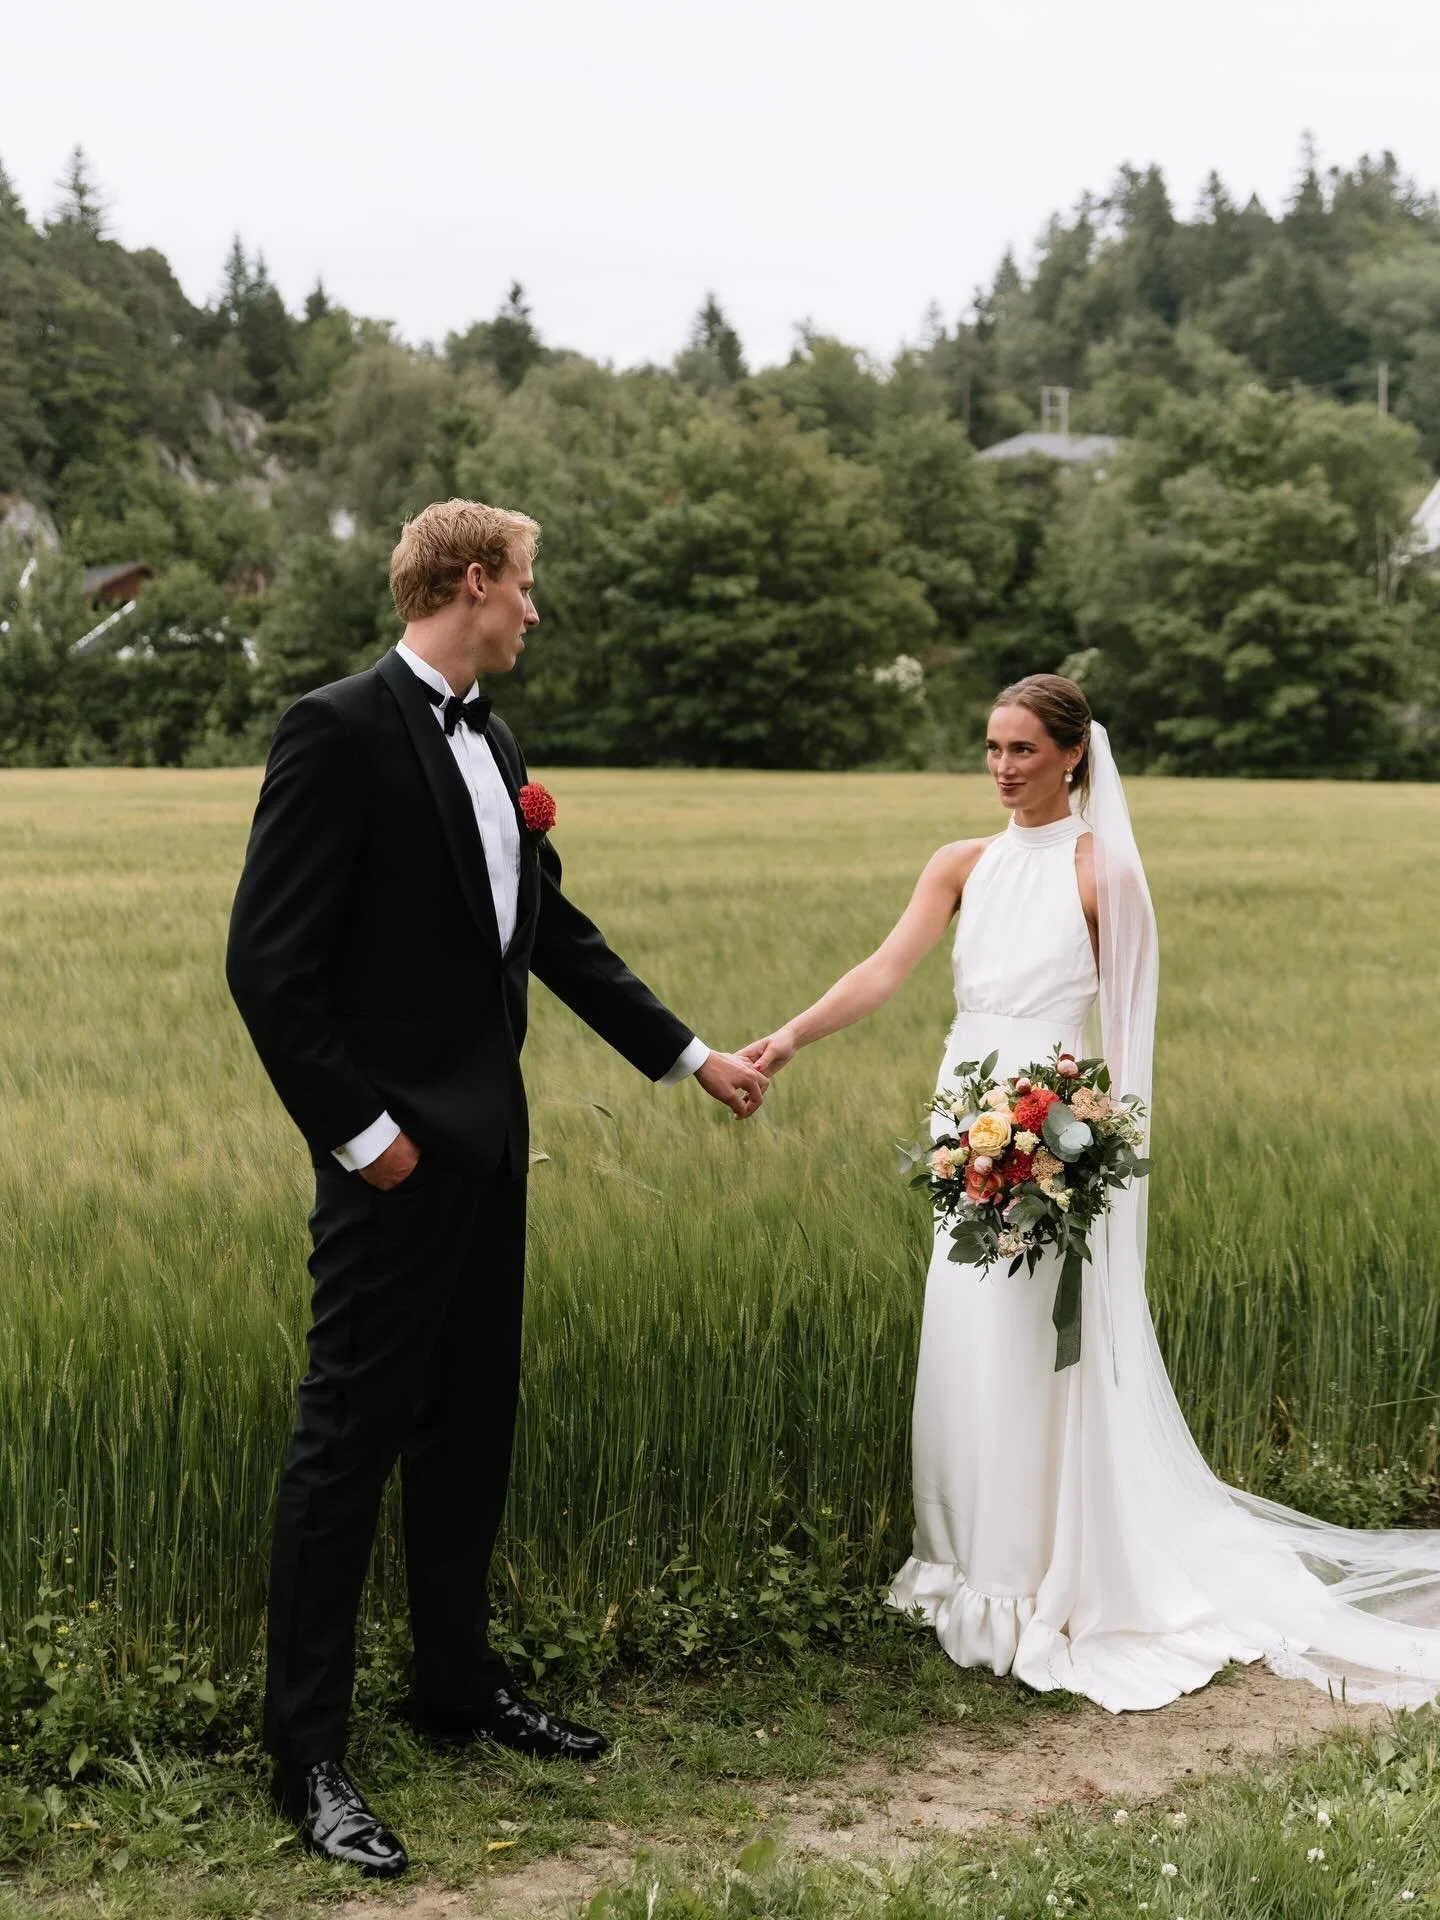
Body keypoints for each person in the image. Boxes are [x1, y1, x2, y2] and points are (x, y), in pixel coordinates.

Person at [227, 499, 767, 1877]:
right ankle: (309, 1756)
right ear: (473, 581)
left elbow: (554, 934)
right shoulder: (335, 729)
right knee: (346, 1441)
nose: (537, 610)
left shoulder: (500, 740)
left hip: (493, 1154)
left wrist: (690, 1055)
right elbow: (268, 966)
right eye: (528, 587)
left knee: (470, 1427)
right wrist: (367, 1141)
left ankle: (457, 1691)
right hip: (394, 1168)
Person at [743, 672, 1440, 1714]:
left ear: (1073, 755)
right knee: (967, 1332)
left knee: (1034, 1344)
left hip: (1051, 1139)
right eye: (991, 748)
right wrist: (792, 1035)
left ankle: (1030, 1574)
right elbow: (888, 968)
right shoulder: (960, 863)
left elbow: (1125, 1037)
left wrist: (1075, 1147)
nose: (1002, 768)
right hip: (965, 1126)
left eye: (1022, 749)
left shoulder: (1101, 872)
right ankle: (962, 1560)